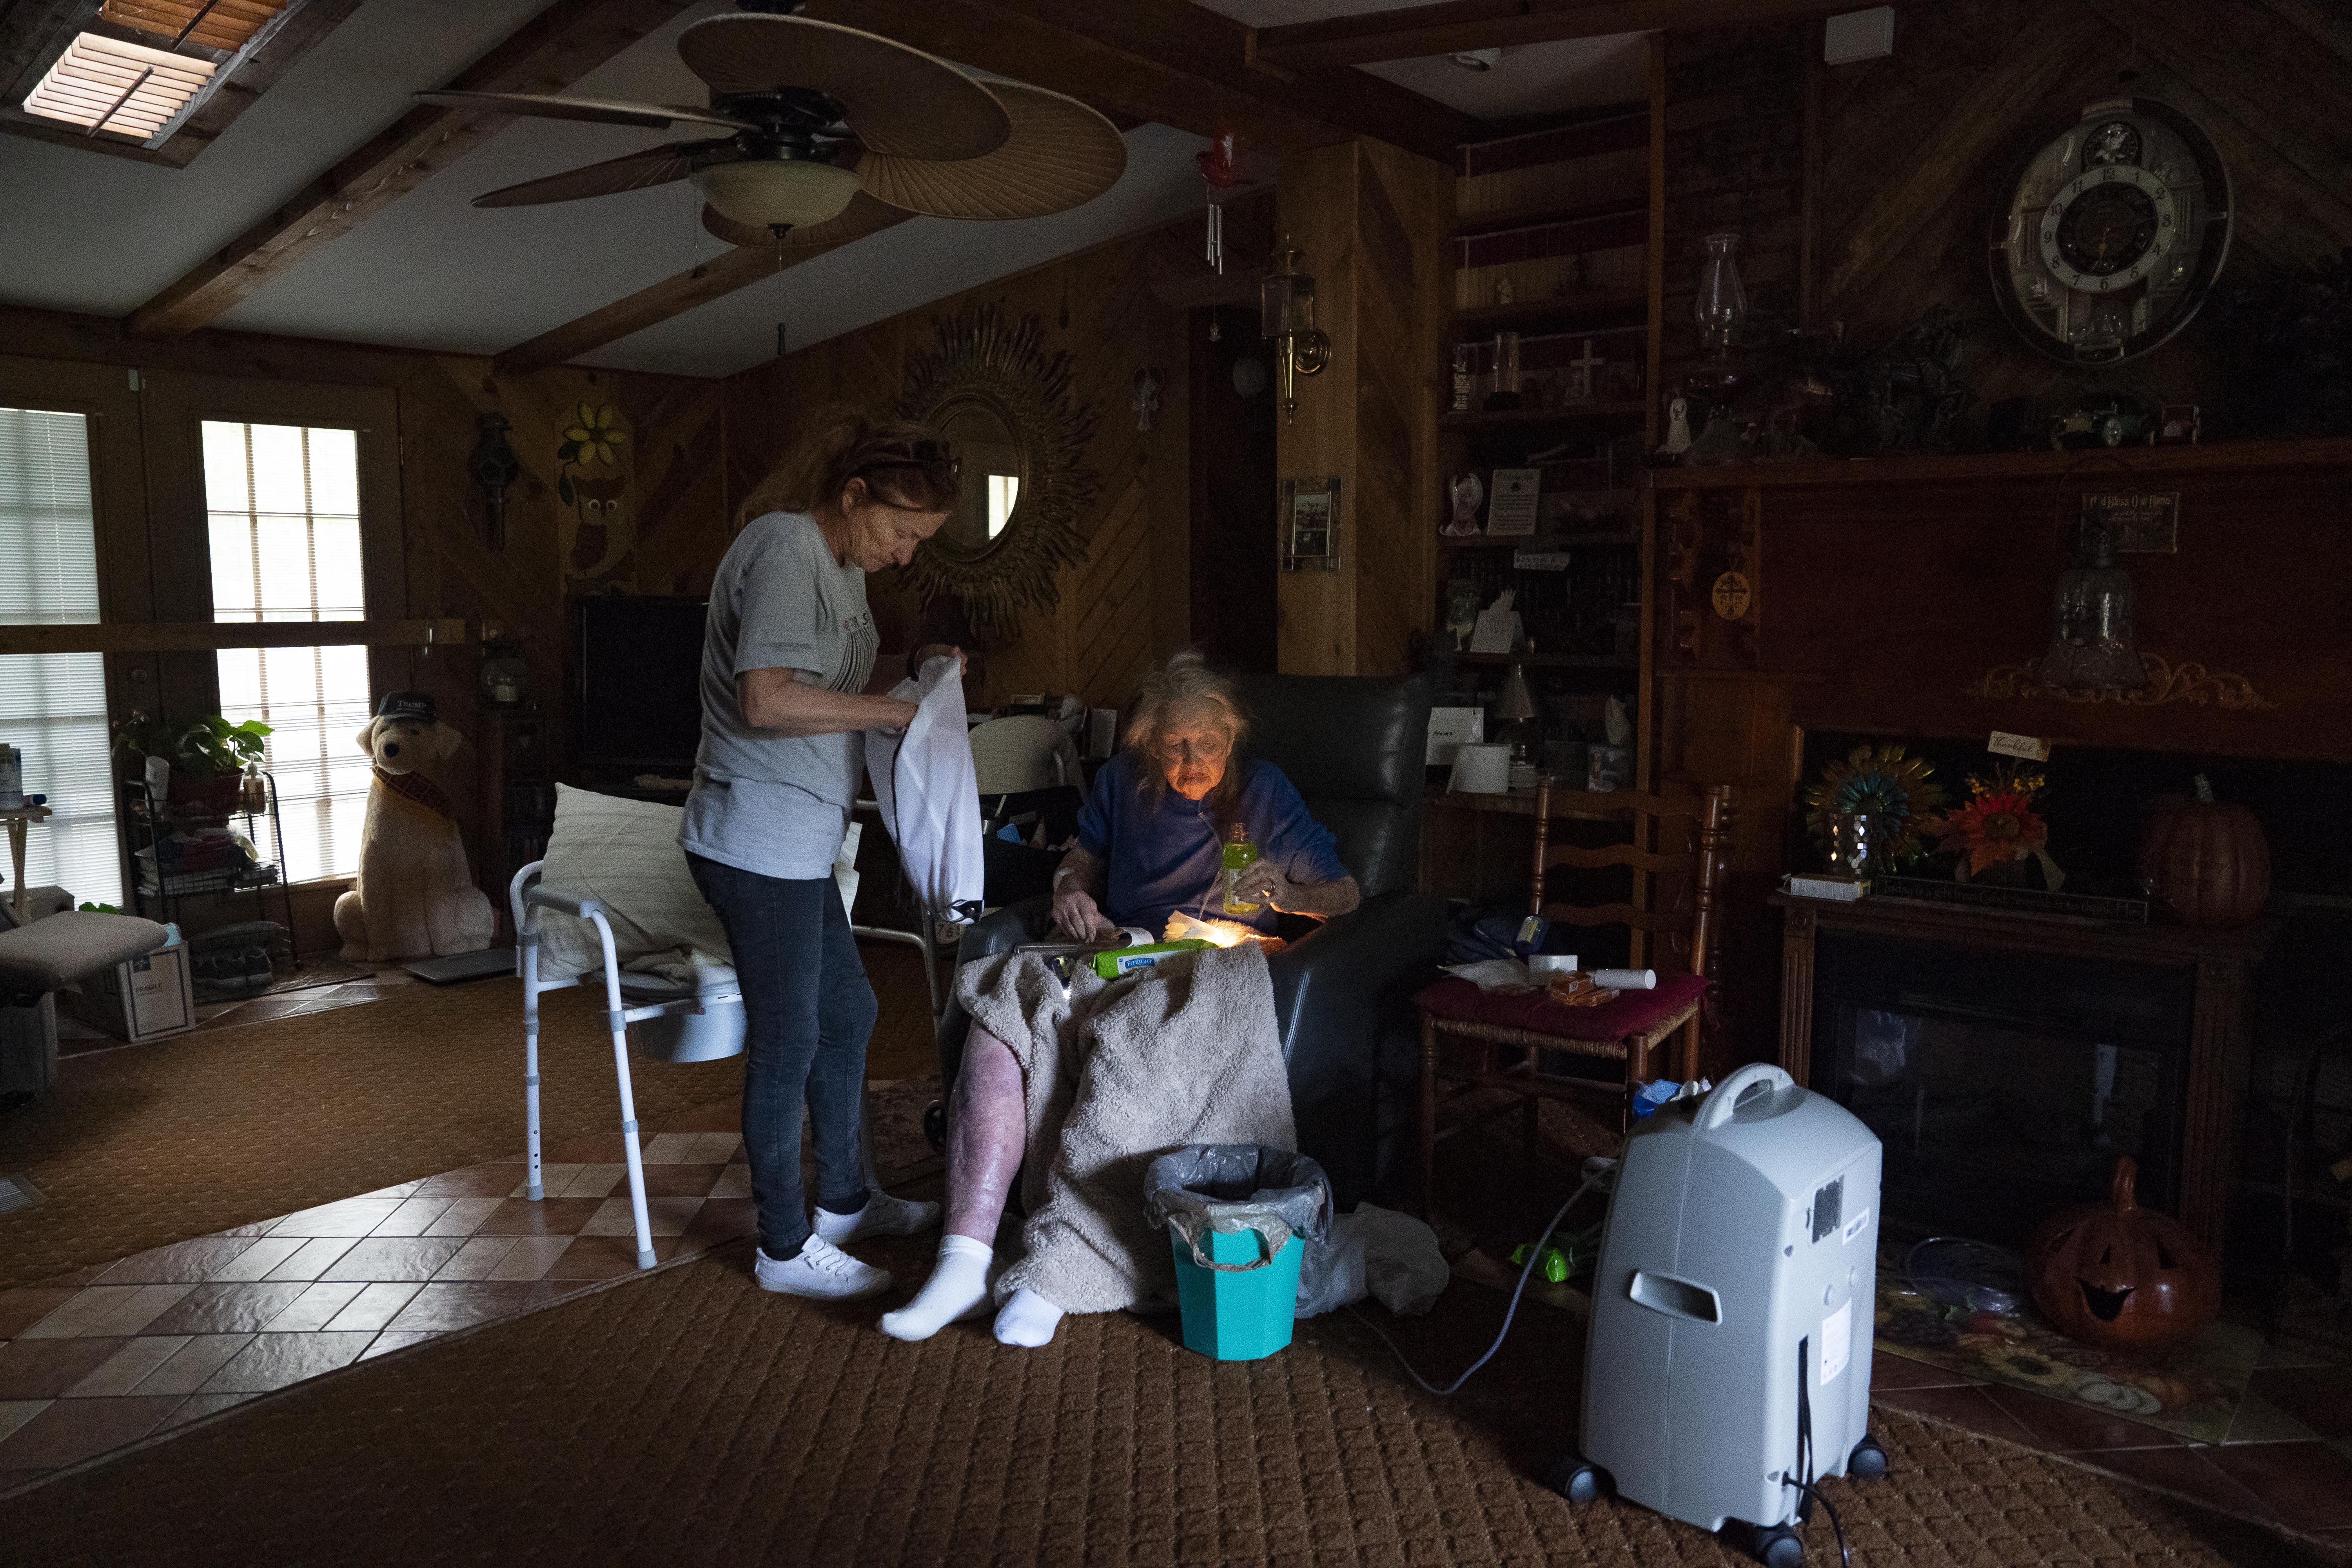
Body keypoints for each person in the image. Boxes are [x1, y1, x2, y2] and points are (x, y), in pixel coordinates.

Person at [881, 652, 1361, 1346]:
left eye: (1209, 744)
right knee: (1001, 1019)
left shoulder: (1265, 792)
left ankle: (1063, 1268)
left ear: (1234, 735)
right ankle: (964, 1261)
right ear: (1147, 741)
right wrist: (1070, 889)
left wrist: (1289, 897)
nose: (1192, 761)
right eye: (1174, 745)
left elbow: (1345, 895)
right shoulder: (1120, 784)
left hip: (1208, 966)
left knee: (1132, 1042)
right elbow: (1080, 857)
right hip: (1121, 947)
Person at [681, 409, 962, 1300]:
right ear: (851, 496)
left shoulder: (841, 568)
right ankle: (783, 1244)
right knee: (792, 1035)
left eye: (921, 540)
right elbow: (765, 697)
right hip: (754, 839)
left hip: (799, 843)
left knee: (846, 1013)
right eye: (902, 531)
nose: (907, 553)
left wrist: (912, 669)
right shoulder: (784, 547)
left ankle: (844, 1199)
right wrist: (890, 713)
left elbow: (828, 682)